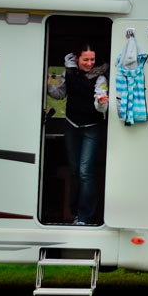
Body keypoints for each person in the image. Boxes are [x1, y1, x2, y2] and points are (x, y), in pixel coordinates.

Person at [46, 45, 108, 226]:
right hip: (71, 125)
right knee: (74, 171)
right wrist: (48, 84)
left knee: (85, 172)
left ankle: (85, 217)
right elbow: (60, 95)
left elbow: (101, 105)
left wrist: (101, 103)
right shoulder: (70, 74)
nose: (90, 63)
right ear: (76, 58)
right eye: (86, 59)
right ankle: (74, 213)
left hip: (92, 127)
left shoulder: (100, 78)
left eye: (92, 60)